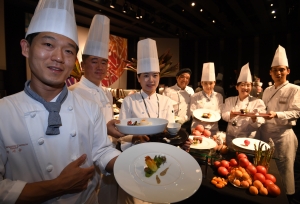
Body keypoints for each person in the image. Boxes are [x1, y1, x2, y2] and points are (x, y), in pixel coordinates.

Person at [0, 1, 120, 203]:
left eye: (68, 51)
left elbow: (101, 151)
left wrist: (135, 164)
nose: (58, 57)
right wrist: (57, 187)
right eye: (48, 44)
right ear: (26, 48)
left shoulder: (89, 108)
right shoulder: (4, 112)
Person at [118, 38, 192, 204]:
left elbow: (172, 131)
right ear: (138, 78)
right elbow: (121, 134)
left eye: (155, 75)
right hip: (136, 159)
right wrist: (135, 137)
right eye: (146, 76)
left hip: (161, 159)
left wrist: (181, 142)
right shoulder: (129, 102)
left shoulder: (166, 101)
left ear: (159, 77)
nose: (151, 80)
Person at [68, 15, 124, 204]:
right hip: (87, 162)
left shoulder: (106, 93)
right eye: (94, 61)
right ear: (83, 65)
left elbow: (108, 126)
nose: (100, 67)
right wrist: (105, 130)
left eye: (104, 62)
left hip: (109, 157)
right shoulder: (73, 93)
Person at [259, 45, 299, 196]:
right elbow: (263, 109)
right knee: (266, 168)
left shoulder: (295, 89)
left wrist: (277, 115)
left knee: (284, 168)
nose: (278, 72)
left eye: (281, 69)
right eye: (275, 69)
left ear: (288, 71)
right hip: (265, 134)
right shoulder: (267, 90)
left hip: (283, 136)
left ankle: (287, 196)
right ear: (270, 73)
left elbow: (296, 112)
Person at [222, 63, 265, 146]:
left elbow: (261, 121)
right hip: (231, 138)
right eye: (242, 85)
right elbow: (224, 114)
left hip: (248, 140)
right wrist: (230, 115)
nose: (245, 88)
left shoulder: (258, 102)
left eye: (248, 85)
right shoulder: (229, 100)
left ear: (251, 87)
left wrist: (254, 119)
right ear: (237, 87)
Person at [190, 62, 223, 136]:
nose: (208, 86)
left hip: (213, 129)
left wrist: (209, 117)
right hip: (197, 129)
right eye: (205, 83)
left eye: (211, 83)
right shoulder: (195, 96)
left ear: (214, 83)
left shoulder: (219, 96)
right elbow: (193, 112)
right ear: (201, 83)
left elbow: (219, 112)